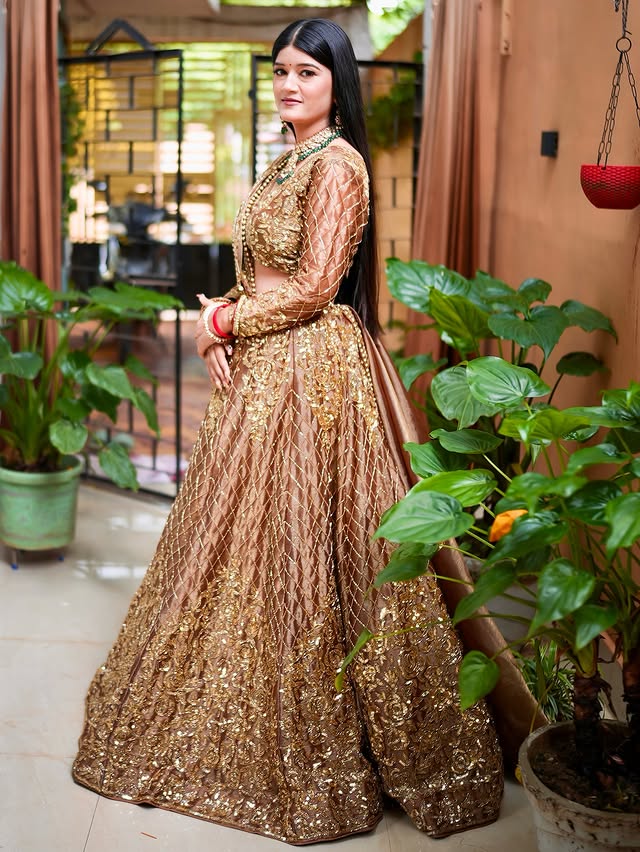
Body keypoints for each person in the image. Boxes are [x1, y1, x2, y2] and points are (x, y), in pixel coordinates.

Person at [72, 18, 533, 846]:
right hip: (268, 369)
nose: (289, 85)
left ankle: (351, 729)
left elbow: (318, 285)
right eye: (281, 71)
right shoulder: (286, 157)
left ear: (336, 82)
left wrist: (222, 324)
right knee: (239, 546)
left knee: (317, 545)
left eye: (307, 74)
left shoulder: (343, 163)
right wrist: (231, 328)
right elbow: (264, 273)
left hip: (316, 374)